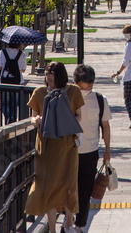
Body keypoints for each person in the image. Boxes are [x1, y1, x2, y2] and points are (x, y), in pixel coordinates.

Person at [26, 62, 85, 232]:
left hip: (67, 145)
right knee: (48, 186)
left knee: (69, 184)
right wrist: (36, 120)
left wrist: (67, 119)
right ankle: (52, 228)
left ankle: (68, 223)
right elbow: (33, 117)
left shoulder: (73, 91)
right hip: (47, 146)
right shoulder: (39, 93)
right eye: (47, 79)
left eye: (52, 80)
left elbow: (79, 116)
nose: (49, 83)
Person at [72, 65, 111, 232]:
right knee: (69, 187)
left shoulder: (100, 99)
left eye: (90, 85)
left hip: (90, 151)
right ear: (75, 82)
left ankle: (80, 224)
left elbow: (105, 126)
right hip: (69, 150)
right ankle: (69, 217)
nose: (87, 89)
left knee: (85, 189)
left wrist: (107, 150)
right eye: (83, 86)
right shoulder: (68, 98)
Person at [0, 39, 27, 124]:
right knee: (14, 104)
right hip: (17, 82)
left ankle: (8, 117)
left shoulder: (3, 52)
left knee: (4, 103)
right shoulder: (21, 54)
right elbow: (23, 69)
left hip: (5, 81)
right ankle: (13, 120)